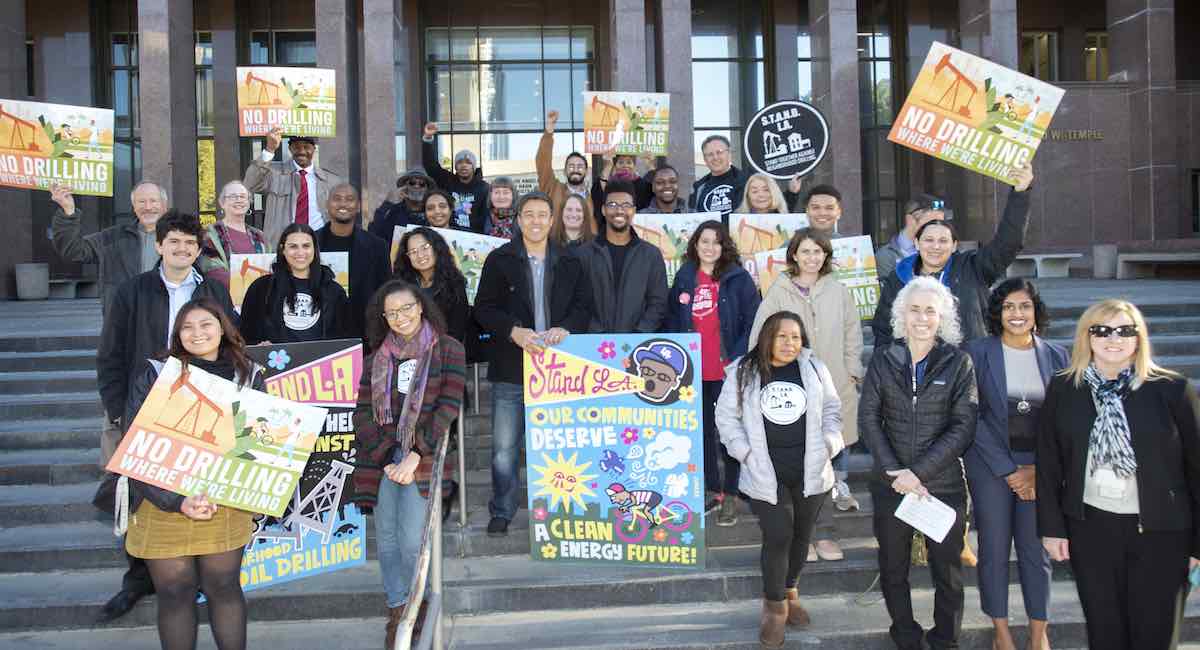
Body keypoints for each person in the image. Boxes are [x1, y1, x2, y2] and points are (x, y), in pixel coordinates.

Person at [97, 211, 237, 624]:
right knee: (142, 495)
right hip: (142, 410)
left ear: (199, 249)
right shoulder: (132, 291)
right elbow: (111, 356)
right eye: (174, 242)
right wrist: (120, 415)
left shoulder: (212, 290)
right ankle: (138, 580)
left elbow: (230, 342)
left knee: (195, 489)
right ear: (159, 245)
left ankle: (193, 579)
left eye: (190, 244)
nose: (182, 249)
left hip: (202, 414)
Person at [1037, 299, 1200, 650]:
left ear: (1139, 337)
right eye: (1102, 330)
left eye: (1126, 330)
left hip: (1163, 532)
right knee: (1105, 632)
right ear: (1087, 337)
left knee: (1154, 635)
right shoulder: (1065, 389)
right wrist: (1052, 529)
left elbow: (1196, 470)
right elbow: (1049, 464)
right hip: (1091, 528)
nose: (1114, 338)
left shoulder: (1172, 389)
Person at [121, 298, 264, 650]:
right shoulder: (156, 375)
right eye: (187, 327)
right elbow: (134, 445)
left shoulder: (248, 375)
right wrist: (178, 501)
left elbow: (260, 445)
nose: (197, 333)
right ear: (177, 334)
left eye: (206, 325)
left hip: (223, 502)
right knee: (173, 593)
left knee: (224, 587)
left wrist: (231, 490)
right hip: (162, 500)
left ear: (223, 328)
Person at [859, 276, 978, 650]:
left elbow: (963, 427)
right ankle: (906, 635)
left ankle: (946, 639)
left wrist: (919, 473)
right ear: (901, 315)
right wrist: (897, 472)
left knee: (948, 572)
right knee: (893, 568)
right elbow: (868, 421)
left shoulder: (959, 363)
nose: (922, 318)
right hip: (891, 485)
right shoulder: (883, 359)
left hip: (941, 486)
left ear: (942, 317)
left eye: (930, 311)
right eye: (914, 310)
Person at [715, 311, 844, 649]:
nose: (790, 343)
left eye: (796, 337)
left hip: (811, 469)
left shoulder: (814, 368)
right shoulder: (745, 370)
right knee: (779, 534)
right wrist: (744, 452)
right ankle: (774, 610)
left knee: (801, 537)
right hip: (763, 471)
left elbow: (832, 408)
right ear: (767, 337)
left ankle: (790, 591)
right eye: (782, 336)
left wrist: (831, 442)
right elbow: (726, 416)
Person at [349, 280, 465, 649]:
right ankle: (398, 610)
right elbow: (363, 413)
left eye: (407, 308)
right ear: (382, 317)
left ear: (421, 306)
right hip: (382, 458)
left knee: (413, 540)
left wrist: (416, 453)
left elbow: (448, 406)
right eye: (392, 312)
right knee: (386, 541)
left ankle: (419, 605)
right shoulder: (375, 359)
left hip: (424, 456)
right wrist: (388, 456)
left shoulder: (448, 349)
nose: (400, 318)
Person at [473, 191, 592, 536]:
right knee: (503, 449)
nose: (536, 221)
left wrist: (566, 328)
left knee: (559, 446)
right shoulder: (500, 259)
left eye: (543, 215)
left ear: (552, 220)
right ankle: (503, 509)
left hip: (558, 371)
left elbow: (585, 307)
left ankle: (560, 509)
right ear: (519, 219)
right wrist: (514, 332)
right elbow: (484, 309)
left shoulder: (571, 261)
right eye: (529, 215)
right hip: (512, 366)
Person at [963, 278, 1067, 650]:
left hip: (1040, 467)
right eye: (1008, 307)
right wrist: (1008, 469)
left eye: (1024, 306)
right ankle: (1002, 632)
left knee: (1035, 551)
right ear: (997, 313)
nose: (1017, 314)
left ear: (1036, 313)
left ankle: (1039, 632)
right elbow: (970, 416)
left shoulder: (1057, 355)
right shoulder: (976, 352)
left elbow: (1063, 419)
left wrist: (1040, 469)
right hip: (990, 464)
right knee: (992, 548)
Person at [750, 228, 864, 562]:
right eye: (806, 251)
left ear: (826, 257)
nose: (812, 257)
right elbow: (760, 335)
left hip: (832, 388)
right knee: (794, 465)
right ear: (794, 256)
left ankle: (825, 534)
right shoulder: (778, 291)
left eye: (818, 252)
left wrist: (852, 370)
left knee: (824, 463)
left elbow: (852, 334)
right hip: (788, 391)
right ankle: (800, 539)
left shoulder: (840, 292)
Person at [871, 163, 1034, 346]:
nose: (935, 247)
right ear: (917, 243)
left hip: (969, 365)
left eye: (943, 241)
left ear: (954, 245)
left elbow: (1008, 243)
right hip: (915, 368)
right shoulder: (899, 277)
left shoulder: (973, 268)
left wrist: (1020, 193)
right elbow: (883, 329)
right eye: (929, 240)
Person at [663, 221, 760, 526]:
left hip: (727, 370)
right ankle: (712, 491)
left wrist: (737, 358)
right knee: (702, 433)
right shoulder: (683, 278)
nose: (709, 247)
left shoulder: (738, 279)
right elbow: (671, 322)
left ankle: (731, 493)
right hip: (692, 371)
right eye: (704, 241)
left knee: (729, 433)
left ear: (724, 247)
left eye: (716, 242)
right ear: (695, 245)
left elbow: (753, 322)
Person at [50, 180, 169, 313]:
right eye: (141, 201)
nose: (147, 207)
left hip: (169, 319)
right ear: (134, 206)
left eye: (153, 201)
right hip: (124, 320)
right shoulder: (113, 238)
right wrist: (68, 212)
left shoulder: (181, 239)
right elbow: (73, 251)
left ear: (164, 205)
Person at [574, 180, 668, 333]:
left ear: (634, 210)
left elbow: (658, 303)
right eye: (612, 205)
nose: (619, 211)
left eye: (626, 205)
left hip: (637, 346)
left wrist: (639, 334)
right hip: (594, 347)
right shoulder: (584, 254)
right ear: (603, 210)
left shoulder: (651, 255)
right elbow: (578, 303)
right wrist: (595, 332)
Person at [239, 224, 349, 345]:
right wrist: (259, 347)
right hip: (275, 361)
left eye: (306, 246)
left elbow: (344, 337)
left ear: (314, 249)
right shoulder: (261, 288)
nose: (300, 252)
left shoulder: (333, 291)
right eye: (293, 247)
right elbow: (246, 334)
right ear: (283, 249)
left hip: (321, 362)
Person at [314, 184, 391, 340]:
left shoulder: (377, 246)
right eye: (337, 199)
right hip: (319, 332)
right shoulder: (311, 243)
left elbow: (386, 290)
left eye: (349, 199)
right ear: (327, 205)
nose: (343, 204)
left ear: (358, 207)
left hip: (365, 334)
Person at [243, 127, 343, 244]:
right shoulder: (274, 173)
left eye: (306, 147)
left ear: (314, 149)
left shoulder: (331, 180)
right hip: (283, 244)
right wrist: (270, 150)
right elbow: (250, 184)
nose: (301, 151)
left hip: (320, 243)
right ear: (290, 149)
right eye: (296, 147)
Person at [393, 227, 470, 344]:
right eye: (413, 252)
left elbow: (457, 330)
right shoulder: (401, 285)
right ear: (407, 257)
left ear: (436, 248)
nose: (420, 255)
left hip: (442, 353)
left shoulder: (454, 284)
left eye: (425, 248)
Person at [199, 180, 272, 289]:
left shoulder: (259, 236)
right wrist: (248, 287)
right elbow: (211, 269)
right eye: (233, 197)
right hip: (224, 299)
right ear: (222, 203)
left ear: (248, 202)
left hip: (259, 299)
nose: (238, 200)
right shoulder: (211, 234)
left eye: (243, 197)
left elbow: (270, 268)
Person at [422, 122, 489, 232]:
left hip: (475, 239)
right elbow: (431, 165)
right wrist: (428, 138)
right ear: (455, 167)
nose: (463, 165)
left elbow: (487, 217)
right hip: (449, 234)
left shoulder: (484, 188)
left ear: (473, 167)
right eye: (459, 162)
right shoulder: (447, 181)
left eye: (468, 163)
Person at [537, 109, 594, 222]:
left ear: (586, 172)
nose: (575, 170)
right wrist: (549, 132)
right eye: (571, 166)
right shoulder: (553, 188)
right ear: (564, 171)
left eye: (580, 166)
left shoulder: (591, 199)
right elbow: (543, 163)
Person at [876, 194, 947, 279]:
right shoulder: (886, 256)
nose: (938, 228)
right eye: (931, 223)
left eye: (942, 223)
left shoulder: (946, 250)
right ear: (910, 220)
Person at [369, 168, 436, 239]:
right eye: (412, 183)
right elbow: (374, 233)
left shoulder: (432, 213)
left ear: (426, 190)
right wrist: (388, 203)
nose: (417, 186)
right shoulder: (393, 211)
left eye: (422, 184)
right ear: (404, 187)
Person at [690, 135, 746, 217]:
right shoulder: (698, 187)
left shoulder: (746, 181)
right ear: (705, 159)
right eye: (710, 154)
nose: (715, 157)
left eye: (719, 152)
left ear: (729, 154)